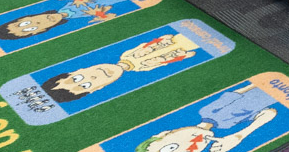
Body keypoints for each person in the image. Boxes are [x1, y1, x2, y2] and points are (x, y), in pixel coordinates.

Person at [124, 86, 279, 152]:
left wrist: (261, 81)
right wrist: (238, 136)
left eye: (170, 147)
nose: (191, 147)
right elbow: (269, 113)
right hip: (278, 94)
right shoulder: (228, 126)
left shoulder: (206, 111)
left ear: (163, 134)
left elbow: (237, 93)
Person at [39, 32, 199, 104]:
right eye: (86, 85)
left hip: (171, 41)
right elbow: (163, 62)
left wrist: (160, 40)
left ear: (77, 70)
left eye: (78, 78)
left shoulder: (126, 54)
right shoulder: (141, 69)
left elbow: (144, 46)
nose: (93, 77)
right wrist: (183, 56)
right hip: (181, 49)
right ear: (97, 88)